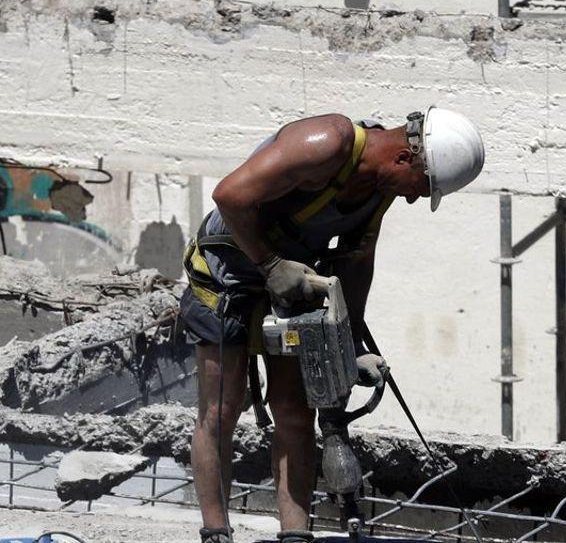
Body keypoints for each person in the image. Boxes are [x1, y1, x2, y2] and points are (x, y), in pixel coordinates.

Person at [180, 107, 485, 543]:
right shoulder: (327, 142)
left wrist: (350, 341)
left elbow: (357, 262)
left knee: (294, 413)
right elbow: (230, 196)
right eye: (420, 187)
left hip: (290, 289)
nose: (414, 198)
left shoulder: (379, 191)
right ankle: (215, 533)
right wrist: (269, 264)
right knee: (221, 412)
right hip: (225, 277)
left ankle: (294, 536)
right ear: (403, 158)